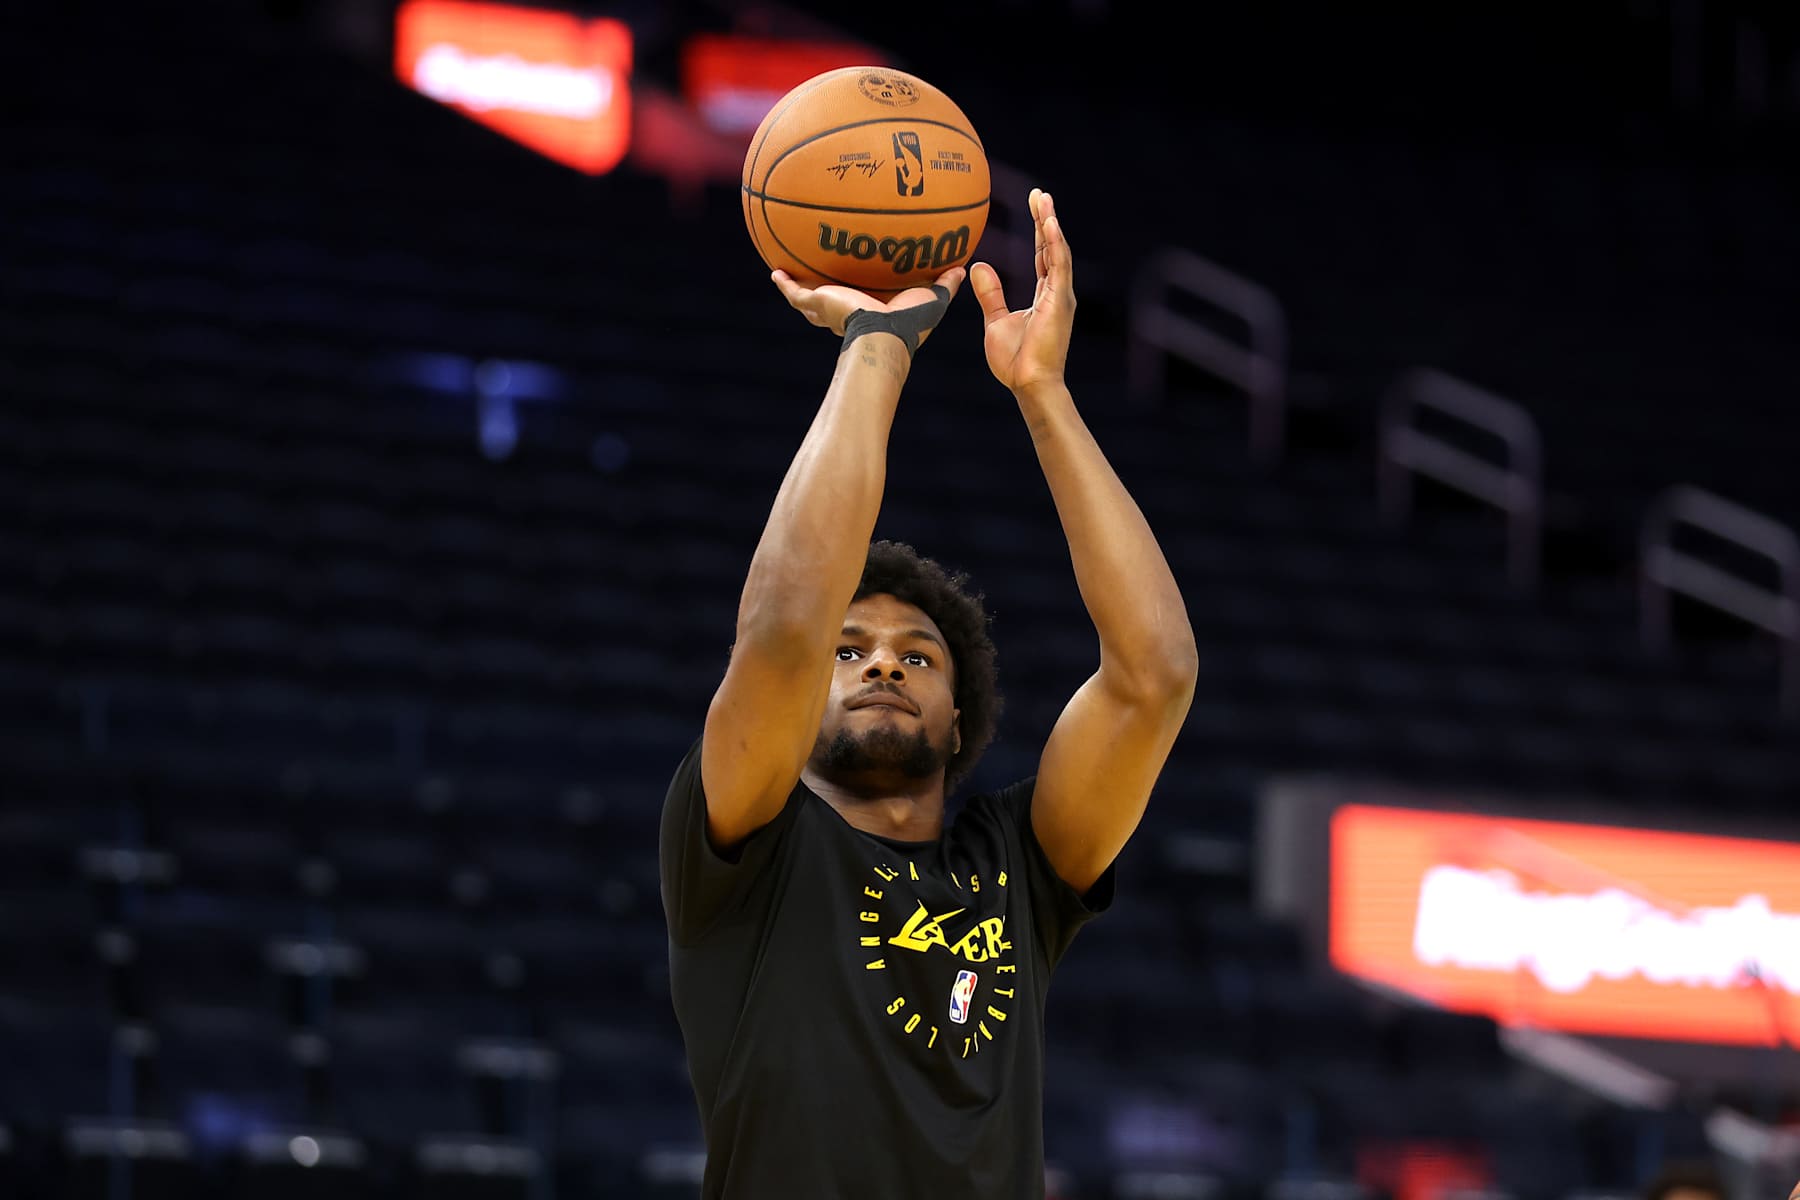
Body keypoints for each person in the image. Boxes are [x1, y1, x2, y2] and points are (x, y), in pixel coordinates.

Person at [659, 188, 1198, 1198]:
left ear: (959, 722)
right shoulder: (743, 849)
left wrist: (1045, 397)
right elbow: (781, 630)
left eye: (918, 653)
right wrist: (879, 344)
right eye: (851, 648)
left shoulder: (1016, 870)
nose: (882, 663)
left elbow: (1155, 673)